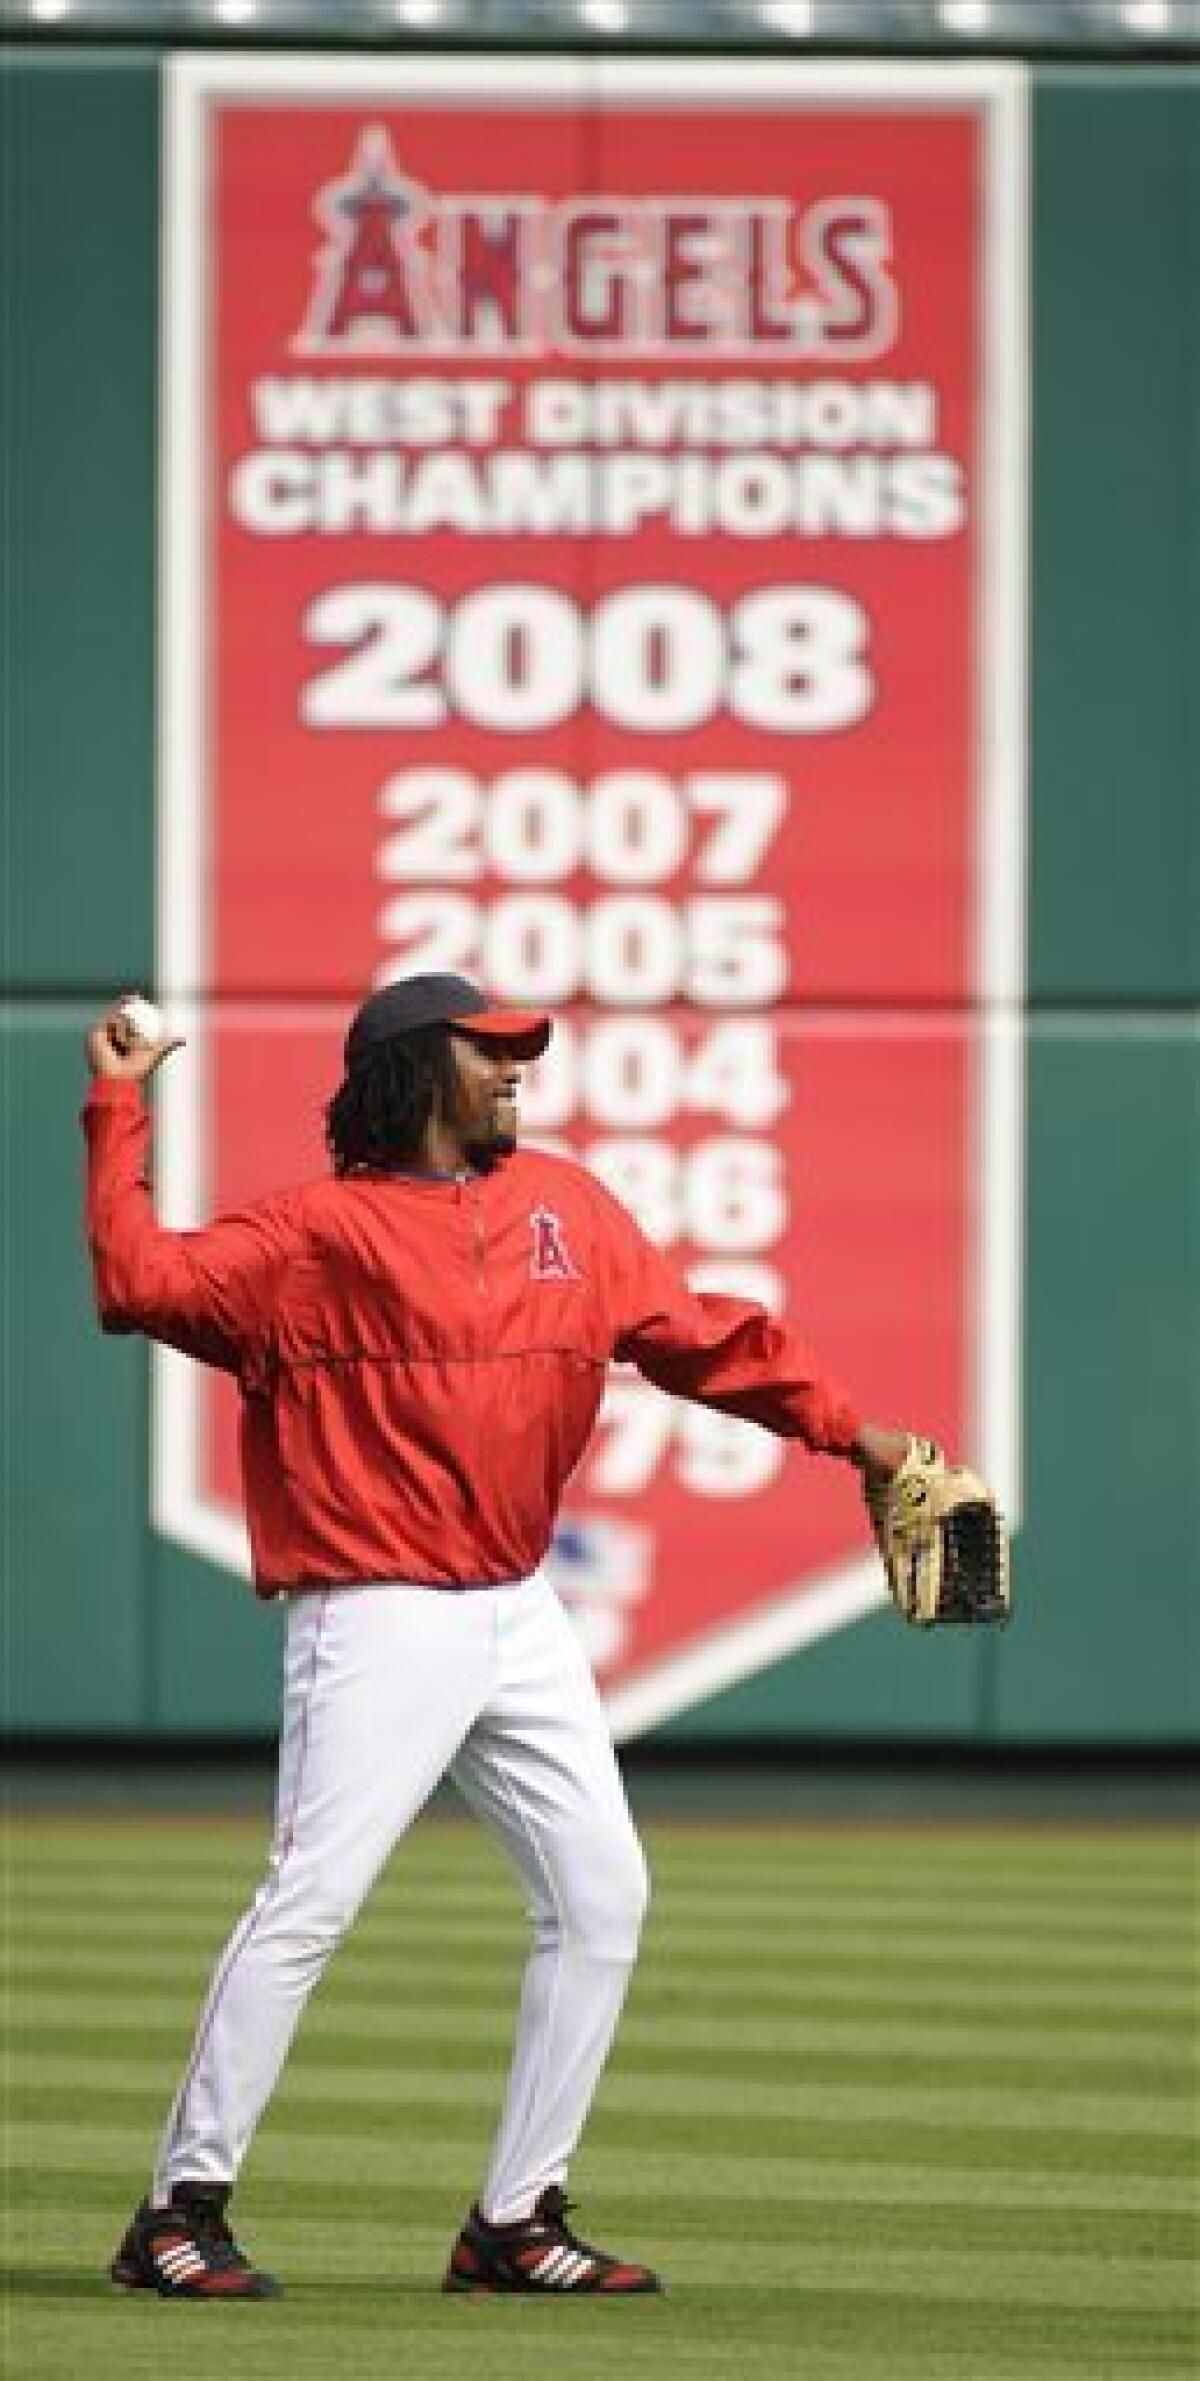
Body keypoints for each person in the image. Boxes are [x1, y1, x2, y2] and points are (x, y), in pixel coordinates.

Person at [83, 972, 914, 2301]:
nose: (517, 1068)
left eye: (518, 1051)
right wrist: (119, 1098)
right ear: (415, 1074)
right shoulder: (313, 1236)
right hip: (377, 1607)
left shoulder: (568, 1209)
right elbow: (134, 1280)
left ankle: (514, 2219)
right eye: (491, 1051)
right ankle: (177, 2208)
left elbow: (699, 1337)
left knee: (602, 1894)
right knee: (309, 1899)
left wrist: (855, 1433)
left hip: (519, 1611)